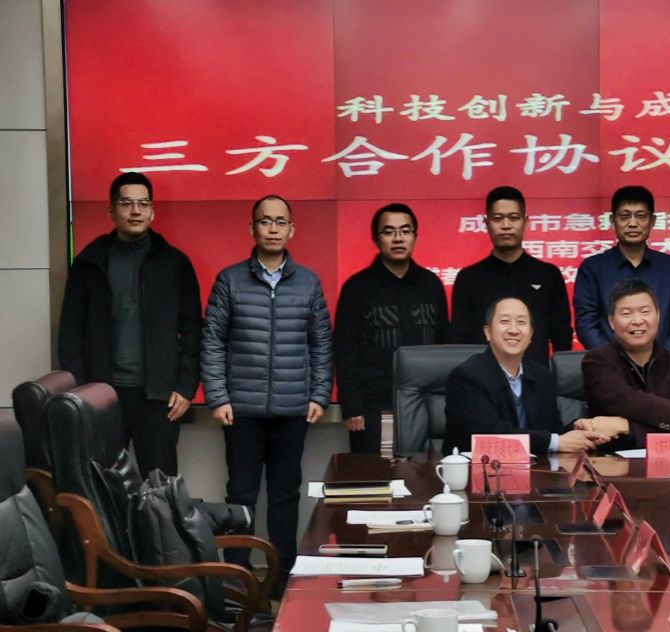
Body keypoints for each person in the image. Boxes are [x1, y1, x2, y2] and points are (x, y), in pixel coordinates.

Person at [201, 194, 333, 592]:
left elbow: (320, 342)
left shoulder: (308, 281)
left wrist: (320, 393)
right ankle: (237, 583)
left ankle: (280, 583)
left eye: (280, 222)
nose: (272, 229)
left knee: (284, 497)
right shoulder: (230, 280)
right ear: (252, 228)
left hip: (293, 409)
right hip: (240, 408)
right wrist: (218, 396)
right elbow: (213, 341)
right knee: (240, 495)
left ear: (291, 229)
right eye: (265, 221)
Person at [57, 172, 201, 476]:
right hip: (103, 395)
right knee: (102, 481)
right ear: (111, 211)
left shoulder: (174, 263)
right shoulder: (89, 263)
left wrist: (186, 387)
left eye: (143, 204)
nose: (135, 211)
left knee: (159, 484)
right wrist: (80, 391)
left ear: (152, 211)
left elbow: (192, 330)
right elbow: (70, 332)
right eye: (126, 203)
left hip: (159, 397)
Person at [334, 203, 448, 454]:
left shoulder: (431, 284)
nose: (398, 238)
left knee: (424, 473)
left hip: (426, 405)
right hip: (373, 407)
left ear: (415, 236)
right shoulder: (357, 287)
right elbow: (344, 350)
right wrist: (351, 406)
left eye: (405, 231)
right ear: (376, 239)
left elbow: (444, 346)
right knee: (376, 474)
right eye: (389, 232)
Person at [443, 297, 613, 456]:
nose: (513, 330)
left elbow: (549, 431)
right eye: (504, 322)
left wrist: (574, 429)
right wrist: (555, 442)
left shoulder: (541, 376)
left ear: (531, 334)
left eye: (521, 322)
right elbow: (488, 435)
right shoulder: (467, 376)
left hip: (535, 471)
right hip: (477, 471)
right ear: (488, 332)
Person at [581, 279, 670, 448]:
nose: (637, 320)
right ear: (611, 321)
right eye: (626, 314)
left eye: (645, 312)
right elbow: (624, 400)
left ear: (658, 316)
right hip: (609, 457)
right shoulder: (597, 360)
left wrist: (626, 427)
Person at [450, 186, 572, 367]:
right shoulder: (468, 278)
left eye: (513, 218)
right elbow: (460, 340)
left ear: (526, 222)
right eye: (497, 218)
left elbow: (562, 336)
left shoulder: (548, 275)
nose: (506, 225)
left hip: (537, 377)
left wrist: (559, 377)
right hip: (483, 378)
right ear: (486, 223)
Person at [573, 185, 670, 352]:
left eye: (641, 216)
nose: (633, 224)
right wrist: (612, 360)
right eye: (625, 216)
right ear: (612, 221)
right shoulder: (592, 268)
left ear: (652, 221)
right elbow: (586, 323)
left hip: (664, 364)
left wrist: (665, 360)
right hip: (609, 364)